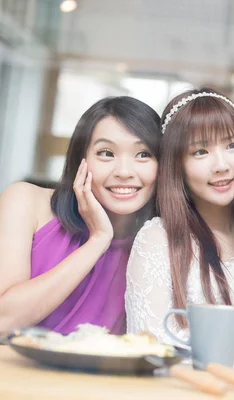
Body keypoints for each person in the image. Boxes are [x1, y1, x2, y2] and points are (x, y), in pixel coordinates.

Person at [125, 89, 234, 371]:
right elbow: (155, 360)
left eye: (232, 145)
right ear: (178, 164)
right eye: (201, 151)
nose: (221, 165)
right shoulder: (158, 240)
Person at [0, 96, 162, 335]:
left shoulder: (155, 246)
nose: (124, 172)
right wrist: (98, 240)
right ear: (81, 160)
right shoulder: (25, 201)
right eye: (106, 153)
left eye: (143, 154)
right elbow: (3, 321)